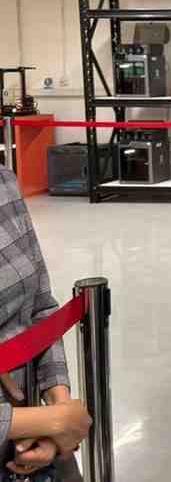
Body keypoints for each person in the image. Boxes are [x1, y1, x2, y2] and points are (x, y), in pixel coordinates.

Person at [0, 167, 92, 479]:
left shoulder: (4, 181)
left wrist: (58, 400)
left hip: (35, 446)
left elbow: (40, 306)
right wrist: (49, 422)